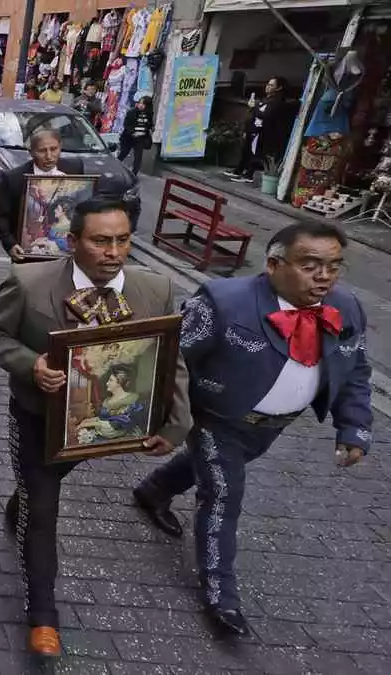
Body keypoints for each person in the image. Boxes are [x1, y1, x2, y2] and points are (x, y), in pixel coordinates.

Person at [0, 198, 191, 657]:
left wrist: (176, 423)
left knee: (39, 491)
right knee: (45, 510)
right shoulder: (29, 283)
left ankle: (23, 499)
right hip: (37, 419)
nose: (113, 251)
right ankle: (43, 618)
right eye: (100, 240)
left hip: (100, 429)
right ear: (73, 242)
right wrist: (30, 364)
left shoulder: (155, 289)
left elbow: (172, 362)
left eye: (122, 240)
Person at [133, 222, 371, 637]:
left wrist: (354, 428)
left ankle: (153, 491)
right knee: (224, 492)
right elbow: (172, 360)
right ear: (274, 264)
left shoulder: (347, 307)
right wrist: (165, 420)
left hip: (271, 427)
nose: (324, 277)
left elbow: (355, 370)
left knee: (212, 468)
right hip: (217, 416)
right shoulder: (222, 302)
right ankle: (221, 595)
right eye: (310, 265)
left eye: (333, 266)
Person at [0, 128, 84, 262]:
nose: (49, 156)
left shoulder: (74, 169)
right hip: (29, 253)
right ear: (31, 152)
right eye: (42, 151)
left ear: (60, 147)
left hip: (66, 254)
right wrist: (10, 244)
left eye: (54, 149)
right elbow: (0, 216)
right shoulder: (14, 178)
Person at [226, 76, 297, 183]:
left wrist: (255, 106)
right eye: (268, 84)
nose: (268, 87)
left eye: (271, 85)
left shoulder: (277, 102)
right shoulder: (266, 99)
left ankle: (248, 175)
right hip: (254, 129)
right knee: (246, 151)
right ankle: (238, 171)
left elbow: (265, 115)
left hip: (263, 132)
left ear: (279, 88)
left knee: (255, 153)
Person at [118, 95, 154, 175]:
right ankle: (114, 166)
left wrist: (151, 128)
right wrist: (132, 133)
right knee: (124, 153)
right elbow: (126, 125)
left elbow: (149, 124)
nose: (140, 105)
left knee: (138, 156)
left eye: (143, 104)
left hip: (140, 138)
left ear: (147, 106)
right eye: (139, 103)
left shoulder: (149, 114)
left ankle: (134, 174)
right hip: (129, 137)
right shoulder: (131, 112)